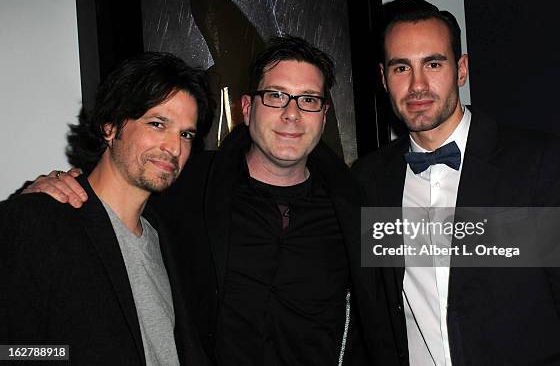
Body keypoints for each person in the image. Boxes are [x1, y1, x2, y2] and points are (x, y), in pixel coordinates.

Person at [16, 36, 381, 365]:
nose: (292, 113)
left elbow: (415, 289)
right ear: (247, 109)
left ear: (324, 115)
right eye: (275, 95)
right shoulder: (187, 185)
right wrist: (48, 188)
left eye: (309, 100)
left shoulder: (362, 204)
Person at [352, 0, 560, 365]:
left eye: (433, 63)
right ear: (383, 78)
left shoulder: (541, 161)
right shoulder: (368, 181)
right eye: (401, 69)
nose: (418, 85)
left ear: (461, 69)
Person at [0, 52, 213, 365]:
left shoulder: (164, 235)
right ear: (111, 126)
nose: (174, 147)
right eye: (157, 124)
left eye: (186, 134)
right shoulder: (39, 220)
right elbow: (10, 352)